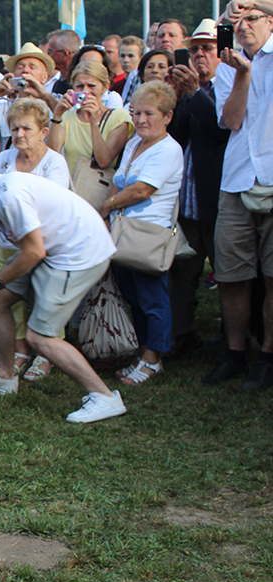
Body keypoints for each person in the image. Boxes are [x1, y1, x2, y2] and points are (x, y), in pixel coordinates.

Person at [0, 141, 126, 423]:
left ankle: (105, 397)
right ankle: (4, 376)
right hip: (55, 251)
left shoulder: (10, 194)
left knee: (41, 337)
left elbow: (34, 251)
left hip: (80, 254)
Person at [204, 0, 273, 389]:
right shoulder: (227, 67)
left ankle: (267, 354)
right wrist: (242, 75)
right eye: (235, 21)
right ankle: (234, 353)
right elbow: (231, 120)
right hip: (236, 181)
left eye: (251, 18)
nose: (243, 26)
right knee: (230, 275)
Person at [100, 82, 184, 384]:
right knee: (134, 297)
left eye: (150, 113)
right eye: (136, 113)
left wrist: (105, 207)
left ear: (168, 116)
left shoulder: (169, 150)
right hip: (124, 234)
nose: (141, 120)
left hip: (147, 235)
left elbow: (142, 189)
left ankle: (153, 358)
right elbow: (120, 182)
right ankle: (145, 352)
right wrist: (110, 209)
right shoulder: (135, 144)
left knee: (153, 299)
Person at [0, 99, 70, 380]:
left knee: (43, 299)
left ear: (44, 132)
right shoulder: (4, 158)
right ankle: (21, 350)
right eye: (14, 129)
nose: (19, 135)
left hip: (41, 246)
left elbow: (52, 205)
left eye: (26, 128)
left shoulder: (54, 163)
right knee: (11, 301)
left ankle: (47, 355)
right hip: (7, 242)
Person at [167, 18, 230, 358]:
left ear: (222, 53)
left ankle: (233, 337)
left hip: (219, 201)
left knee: (231, 275)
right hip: (186, 202)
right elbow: (175, 138)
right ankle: (182, 335)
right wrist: (177, 98)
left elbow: (222, 131)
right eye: (194, 49)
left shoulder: (230, 86)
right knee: (182, 273)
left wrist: (193, 92)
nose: (199, 55)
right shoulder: (189, 91)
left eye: (207, 48)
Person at [47, 61, 133, 184]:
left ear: (105, 87)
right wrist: (57, 115)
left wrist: (94, 122)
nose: (85, 91)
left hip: (98, 191)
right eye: (80, 86)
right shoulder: (67, 117)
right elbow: (52, 154)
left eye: (91, 86)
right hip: (70, 188)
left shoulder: (118, 117)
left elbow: (104, 161)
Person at [45, 29, 82, 94]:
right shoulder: (58, 81)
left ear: (64, 54)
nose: (48, 56)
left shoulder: (79, 82)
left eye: (50, 52)